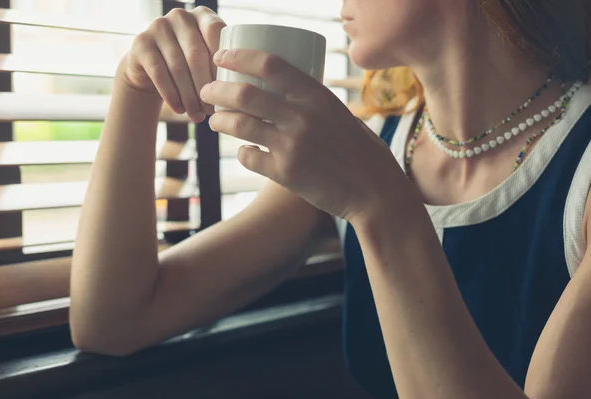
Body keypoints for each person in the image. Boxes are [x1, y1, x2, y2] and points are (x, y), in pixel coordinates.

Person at [69, 1, 591, 398]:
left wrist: (381, 206)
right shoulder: (363, 153)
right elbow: (115, 321)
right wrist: (135, 90)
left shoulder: (579, 172)